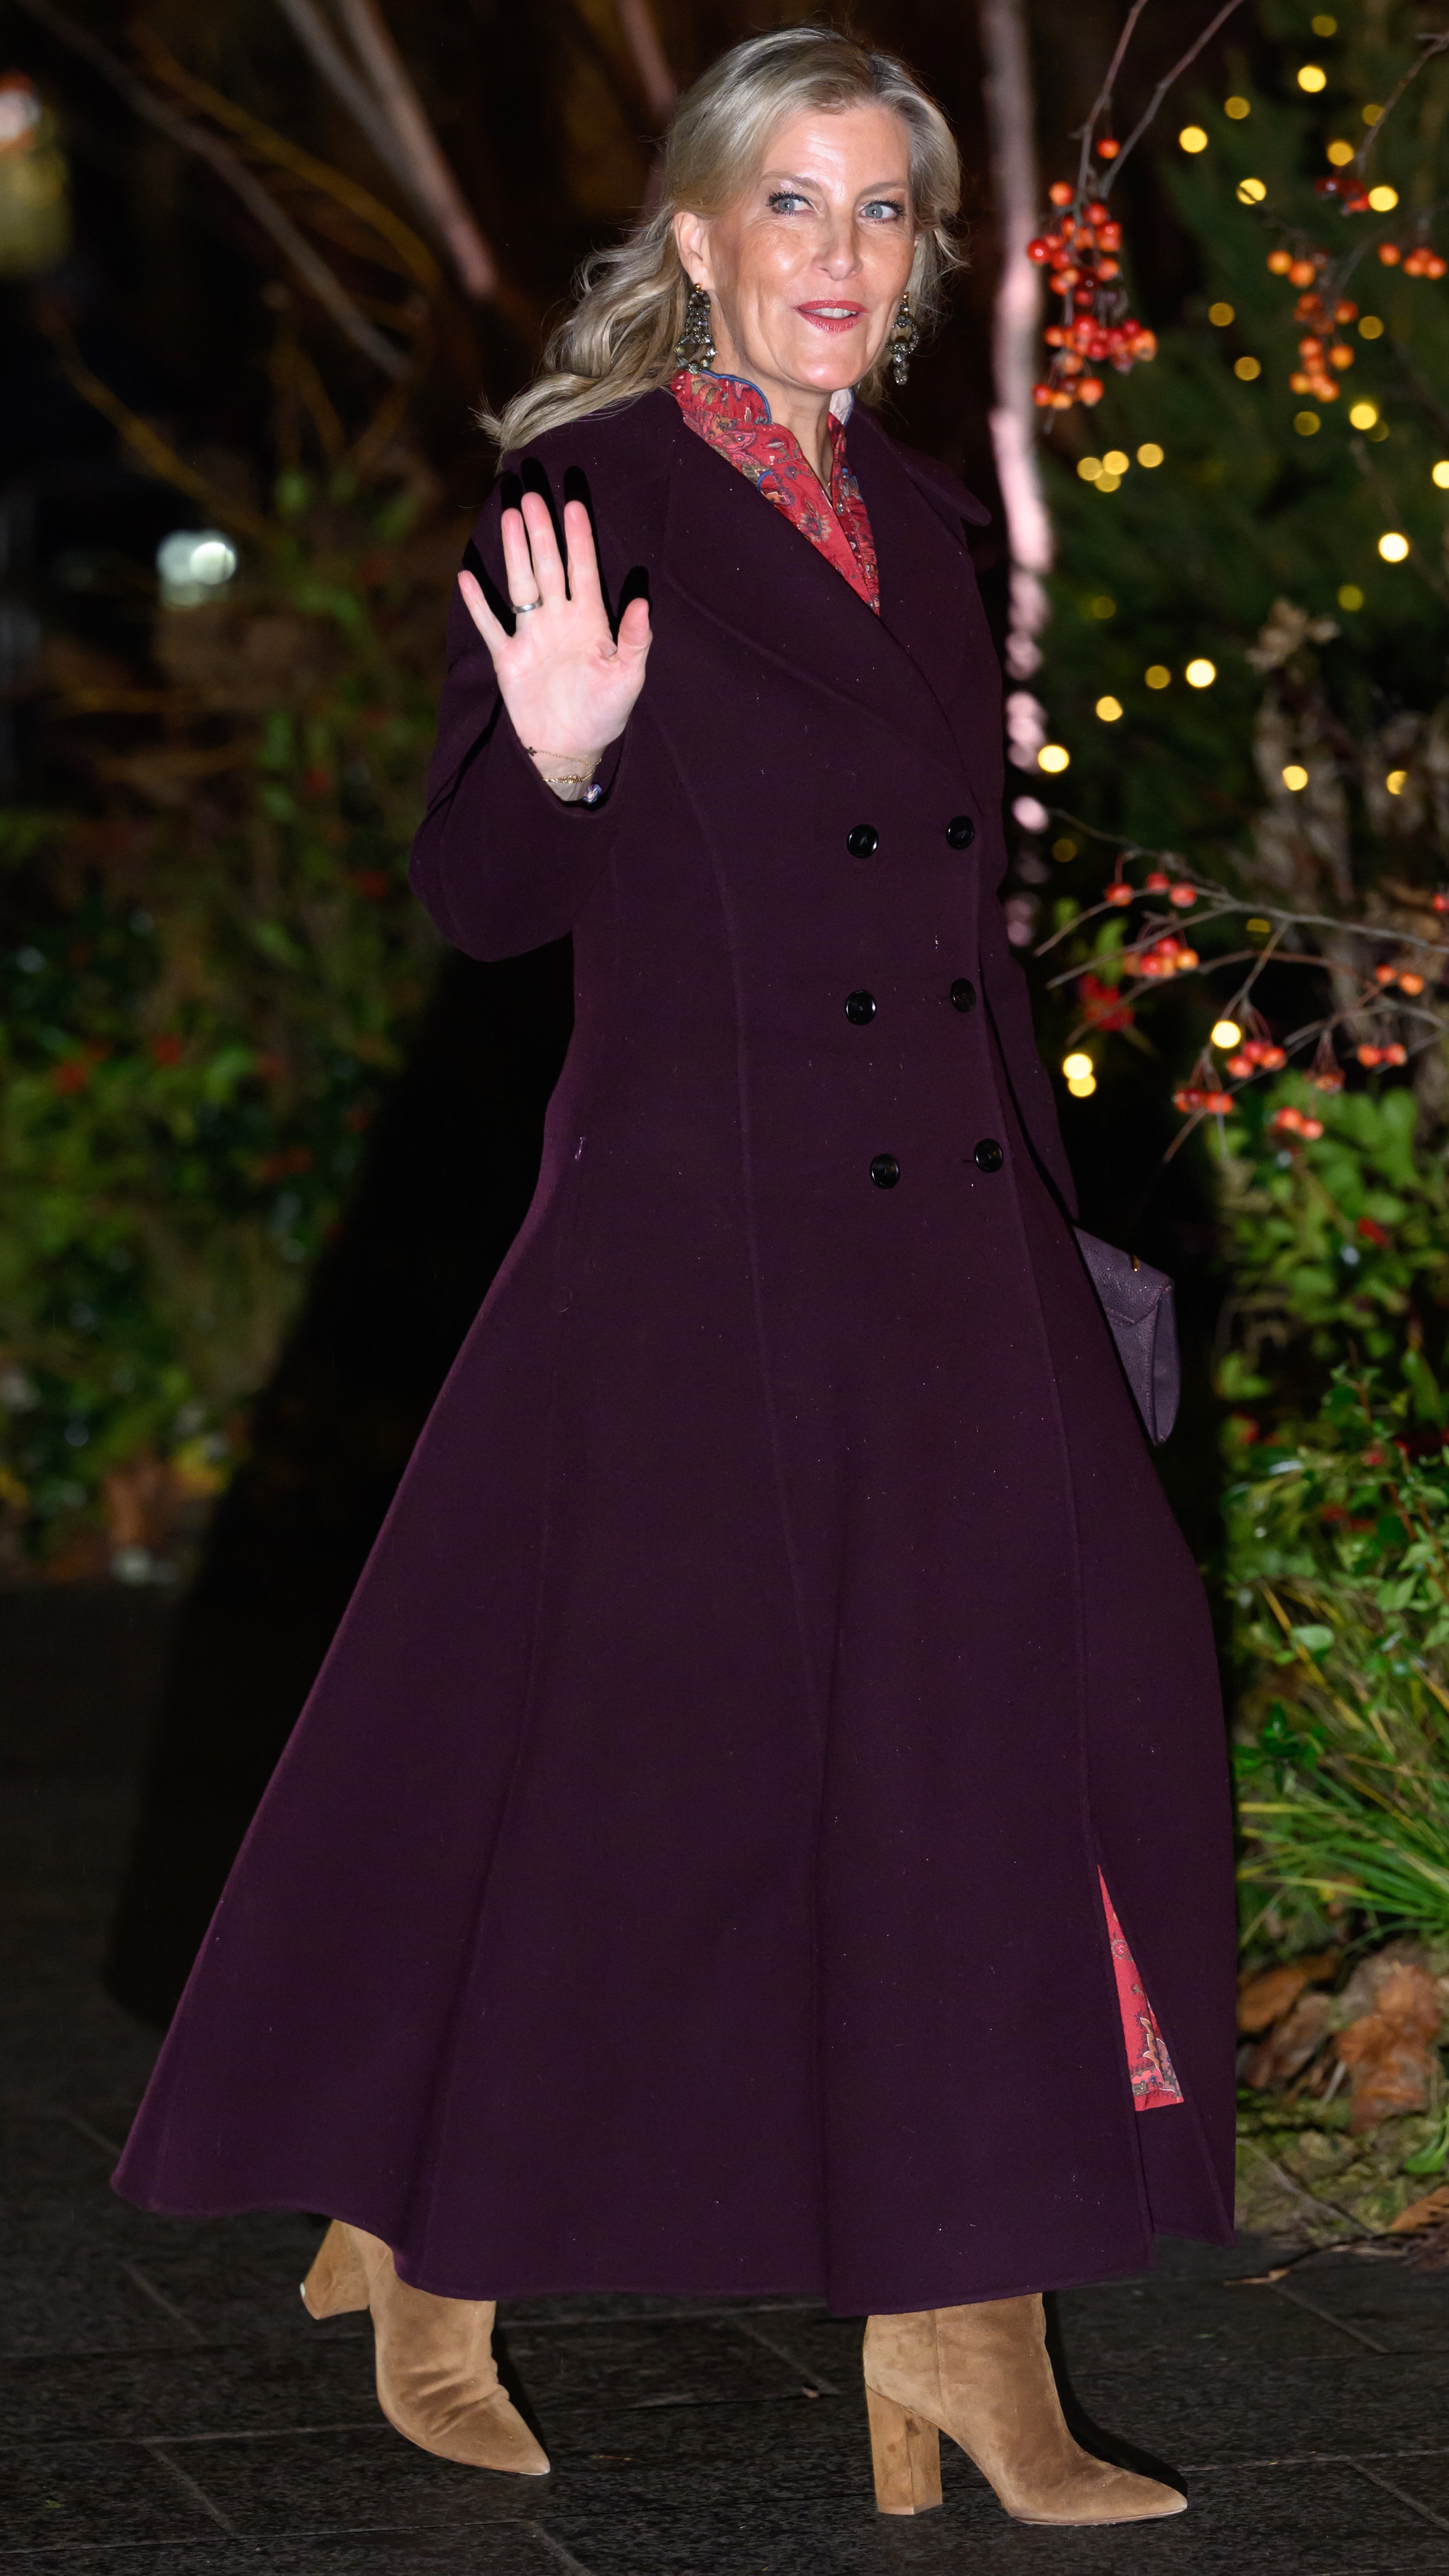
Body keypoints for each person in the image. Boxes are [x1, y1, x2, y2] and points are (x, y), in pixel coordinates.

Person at [114, 25, 1236, 2526]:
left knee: (1026, 1728)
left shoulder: (935, 527)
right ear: (704, 241)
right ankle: (429, 2238)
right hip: (696, 1246)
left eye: (883, 219)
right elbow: (486, 903)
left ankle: (964, 2320)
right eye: (797, 210)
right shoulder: (586, 499)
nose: (840, 260)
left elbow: (954, 922)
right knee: (621, 1760)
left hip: (950, 1242)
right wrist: (566, 749)